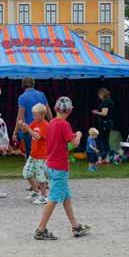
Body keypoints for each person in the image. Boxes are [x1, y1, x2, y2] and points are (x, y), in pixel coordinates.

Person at [34, 96, 91, 240]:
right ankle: (41, 229)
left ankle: (75, 226)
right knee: (53, 198)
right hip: (60, 166)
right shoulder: (64, 124)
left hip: (50, 164)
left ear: (55, 109)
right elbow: (74, 143)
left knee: (66, 197)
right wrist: (78, 134)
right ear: (70, 110)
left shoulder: (51, 123)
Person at [13, 77, 52, 159]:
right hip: (42, 128)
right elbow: (48, 111)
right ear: (33, 84)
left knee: (30, 153)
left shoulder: (22, 97)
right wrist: (52, 124)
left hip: (29, 129)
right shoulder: (41, 94)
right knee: (42, 150)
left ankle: (30, 169)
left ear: (23, 85)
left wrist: (15, 132)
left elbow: (20, 116)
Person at [19, 103, 49, 205]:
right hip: (33, 154)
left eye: (35, 115)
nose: (33, 117)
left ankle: (44, 196)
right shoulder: (35, 122)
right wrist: (22, 126)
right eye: (33, 114)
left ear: (42, 114)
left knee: (41, 177)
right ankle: (36, 191)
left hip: (42, 156)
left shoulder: (45, 125)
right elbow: (25, 131)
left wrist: (27, 128)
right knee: (26, 173)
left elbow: (37, 137)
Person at [91, 88, 115, 164]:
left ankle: (104, 157)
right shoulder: (109, 101)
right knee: (105, 140)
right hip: (108, 123)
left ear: (102, 94)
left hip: (105, 123)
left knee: (103, 140)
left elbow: (104, 113)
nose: (99, 96)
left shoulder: (106, 102)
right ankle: (106, 157)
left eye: (99, 95)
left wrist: (96, 112)